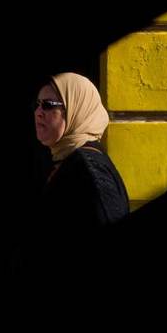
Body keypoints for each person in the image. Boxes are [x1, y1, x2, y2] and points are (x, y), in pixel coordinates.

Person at [33, 72, 129, 229]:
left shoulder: (90, 170)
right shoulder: (66, 159)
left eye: (48, 105)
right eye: (37, 104)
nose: (38, 112)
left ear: (76, 109)